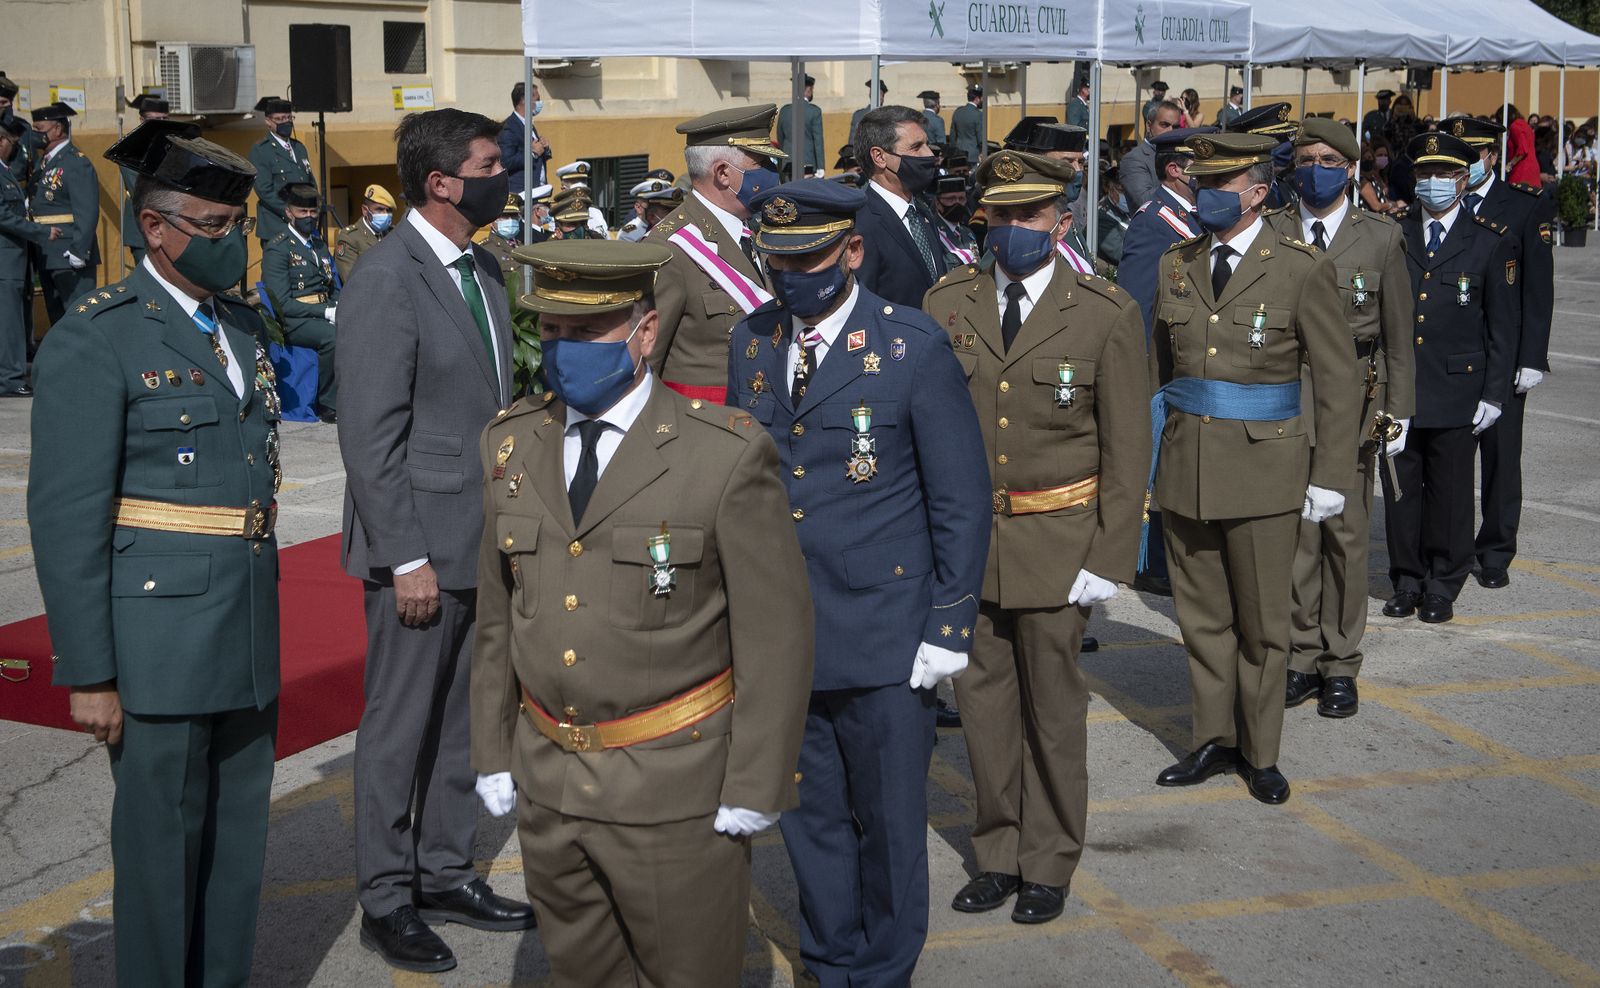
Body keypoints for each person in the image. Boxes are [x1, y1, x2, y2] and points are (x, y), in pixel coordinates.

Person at [470, 238, 813, 987]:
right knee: (583, 975)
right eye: (551, 332)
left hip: (674, 787)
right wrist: (494, 751)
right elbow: (499, 618)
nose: (564, 352)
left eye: (586, 332)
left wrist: (757, 783)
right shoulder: (510, 442)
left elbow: (775, 637)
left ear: (645, 332)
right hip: (550, 780)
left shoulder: (721, 454)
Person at [29, 117, 280, 986]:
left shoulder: (239, 327)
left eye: (235, 228)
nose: (228, 244)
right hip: (156, 639)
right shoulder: (98, 336)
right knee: (159, 851)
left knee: (237, 842)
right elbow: (66, 517)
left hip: (246, 622)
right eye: (210, 229)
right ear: (154, 228)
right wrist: (90, 673)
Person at [727, 177, 989, 988]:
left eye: (808, 260)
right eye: (777, 262)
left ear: (851, 251)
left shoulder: (911, 345)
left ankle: (882, 972)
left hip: (885, 634)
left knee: (887, 824)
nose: (791, 277)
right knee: (810, 824)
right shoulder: (753, 339)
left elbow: (960, 497)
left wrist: (949, 626)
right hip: (786, 633)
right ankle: (829, 962)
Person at [923, 150, 1148, 925]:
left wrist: (1110, 556)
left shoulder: (1103, 311)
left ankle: (1049, 858)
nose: (1014, 229)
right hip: (969, 549)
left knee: (1054, 713)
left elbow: (1127, 450)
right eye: (1002, 214)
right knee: (983, 709)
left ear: (1061, 219)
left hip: (1059, 544)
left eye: (1030, 215)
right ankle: (997, 851)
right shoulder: (946, 302)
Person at [337, 107, 533, 975]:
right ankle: (385, 895)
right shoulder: (388, 277)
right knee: (399, 725)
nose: (505, 176)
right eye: (491, 163)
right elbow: (369, 436)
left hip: (482, 532)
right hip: (418, 545)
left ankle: (445, 869)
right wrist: (403, 556)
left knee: (464, 715)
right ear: (442, 182)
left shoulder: (483, 267)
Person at [1149, 132, 1358, 805]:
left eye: (1220, 183)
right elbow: (1157, 371)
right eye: (1199, 181)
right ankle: (1213, 736)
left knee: (1264, 624)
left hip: (1268, 471)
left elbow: (1337, 379)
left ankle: (1260, 752)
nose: (1204, 193)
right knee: (1203, 617)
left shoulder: (1298, 266)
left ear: (1258, 192)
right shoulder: (1175, 263)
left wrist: (1331, 475)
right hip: (1188, 466)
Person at [1268, 118, 1415, 719]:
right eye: (1306, 158)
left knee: (1346, 537)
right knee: (1298, 534)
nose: (1316, 168)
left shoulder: (1379, 237)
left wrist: (1397, 409)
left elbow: (1400, 338)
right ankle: (1301, 655)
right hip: (1285, 396)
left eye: (1329, 158)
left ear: (1351, 168)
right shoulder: (1273, 229)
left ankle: (1340, 661)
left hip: (1354, 398)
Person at [1381, 130, 1517, 625]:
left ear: (1463, 179)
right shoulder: (1394, 235)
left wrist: (1495, 393)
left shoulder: (1487, 241)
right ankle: (1407, 578)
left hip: (1460, 388)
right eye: (1424, 173)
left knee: (1452, 492)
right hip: (1401, 387)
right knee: (1400, 490)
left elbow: (1502, 327)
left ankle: (1443, 581)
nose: (1433, 182)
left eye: (1443, 173)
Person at [1447, 116, 1552, 592]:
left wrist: (1532, 357)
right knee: (1448, 456)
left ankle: (1494, 550)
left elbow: (1537, 290)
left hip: (1504, 352)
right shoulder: (1442, 201)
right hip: (1452, 352)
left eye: (1471, 156)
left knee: (1501, 458)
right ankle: (1448, 545)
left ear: (1491, 155)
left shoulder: (1522, 205)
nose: (1463, 166)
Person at [1115, 127, 1209, 600]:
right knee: (1155, 467)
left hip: (1186, 366)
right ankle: (1149, 562)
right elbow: (1136, 301)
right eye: (1200, 162)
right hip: (1159, 368)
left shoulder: (1190, 216)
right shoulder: (1157, 221)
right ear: (1175, 170)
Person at [645, 103, 786, 402]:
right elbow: (646, 363)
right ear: (723, 173)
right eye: (763, 163)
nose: (773, 173)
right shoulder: (669, 249)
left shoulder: (757, 232)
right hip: (705, 428)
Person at [854, 105, 949, 307]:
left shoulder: (922, 212)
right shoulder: (862, 222)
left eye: (927, 145)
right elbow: (862, 305)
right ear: (879, 157)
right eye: (916, 147)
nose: (929, 154)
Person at [262, 182, 340, 422]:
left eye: (313, 212)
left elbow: (333, 286)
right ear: (289, 213)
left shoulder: (319, 245)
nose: (309, 217)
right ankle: (328, 404)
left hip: (322, 312)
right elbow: (282, 302)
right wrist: (325, 312)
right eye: (302, 212)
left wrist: (339, 306)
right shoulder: (279, 248)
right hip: (292, 321)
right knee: (333, 337)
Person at [27, 102, 99, 323]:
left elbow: (87, 209)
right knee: (57, 317)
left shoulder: (75, 162)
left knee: (79, 315)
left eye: (39, 130)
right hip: (47, 252)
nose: (36, 135)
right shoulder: (44, 162)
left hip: (69, 252)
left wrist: (80, 249)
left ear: (57, 129)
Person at [0, 115, 55, 397]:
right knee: (9, 322)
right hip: (5, 260)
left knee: (13, 319)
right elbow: (4, 216)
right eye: (12, 142)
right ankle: (9, 379)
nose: (15, 148)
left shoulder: (5, 170)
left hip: (13, 258)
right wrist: (40, 232)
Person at [248, 96, 314, 248]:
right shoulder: (261, 150)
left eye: (289, 118)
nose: (286, 122)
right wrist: (292, 212)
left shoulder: (299, 148)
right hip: (277, 226)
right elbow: (265, 190)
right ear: (268, 121)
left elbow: (310, 182)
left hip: (303, 225)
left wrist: (312, 209)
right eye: (280, 119)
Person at [119, 94, 169, 265]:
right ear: (142, 120)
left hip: (172, 226)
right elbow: (141, 188)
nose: (161, 123)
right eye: (155, 119)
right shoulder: (130, 147)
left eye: (164, 118)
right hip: (143, 226)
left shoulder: (174, 146)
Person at [1119, 99, 1183, 209]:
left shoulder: (1183, 153)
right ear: (1149, 125)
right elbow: (1145, 201)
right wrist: (1180, 180)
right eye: (1164, 125)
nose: (1171, 131)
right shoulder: (1134, 159)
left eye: (1175, 127)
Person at [334, 183, 397, 283]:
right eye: (379, 209)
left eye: (388, 210)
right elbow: (353, 281)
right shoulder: (349, 238)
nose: (385, 214)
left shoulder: (394, 234)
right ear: (365, 210)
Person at [498, 81, 552, 195]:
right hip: (522, 192)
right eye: (537, 100)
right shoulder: (509, 128)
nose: (539, 103)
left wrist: (545, 148)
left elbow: (538, 156)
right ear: (524, 100)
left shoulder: (528, 125)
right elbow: (505, 162)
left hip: (538, 189)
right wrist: (532, 153)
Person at [778, 75, 828, 176]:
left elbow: (780, 139)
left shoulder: (784, 111)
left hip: (788, 164)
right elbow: (818, 141)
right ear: (809, 89)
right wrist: (821, 167)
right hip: (808, 164)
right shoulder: (814, 111)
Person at [932, 174, 979, 266]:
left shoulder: (968, 233)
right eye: (951, 199)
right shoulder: (932, 233)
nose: (957, 203)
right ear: (938, 203)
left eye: (961, 199)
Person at [617, 177, 673, 242]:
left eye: (661, 204)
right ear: (638, 207)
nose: (659, 208)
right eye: (651, 205)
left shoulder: (668, 225)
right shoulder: (628, 234)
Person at [1501, 104, 1541, 188]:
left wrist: (1510, 165)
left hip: (1522, 171)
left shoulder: (1514, 126)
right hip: (1532, 169)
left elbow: (1522, 150)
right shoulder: (1524, 125)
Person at [950, 84, 987, 164]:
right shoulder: (979, 114)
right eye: (982, 98)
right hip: (974, 156)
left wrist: (953, 152)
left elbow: (953, 135)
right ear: (977, 99)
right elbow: (980, 138)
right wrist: (983, 152)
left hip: (959, 154)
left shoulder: (957, 111)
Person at [849, 79, 890, 146]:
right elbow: (852, 143)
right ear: (870, 94)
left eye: (880, 95)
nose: (879, 98)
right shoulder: (859, 115)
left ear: (883, 97)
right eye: (876, 94)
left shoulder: (888, 116)